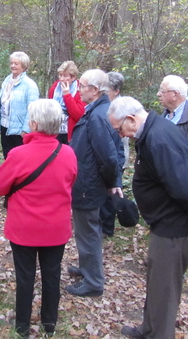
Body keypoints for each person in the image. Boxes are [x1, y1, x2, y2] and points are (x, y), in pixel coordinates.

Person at [108, 97, 188, 339]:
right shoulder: (151, 132)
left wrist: (176, 216)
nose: (120, 135)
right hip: (164, 224)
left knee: (165, 288)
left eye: (120, 129)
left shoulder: (159, 139)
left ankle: (159, 334)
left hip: (175, 226)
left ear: (131, 119)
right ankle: (149, 328)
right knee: (156, 281)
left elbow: (184, 187)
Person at [0, 99, 77, 338]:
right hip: (56, 227)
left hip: (24, 228)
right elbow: (70, 181)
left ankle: (22, 326)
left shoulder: (18, 154)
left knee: (25, 277)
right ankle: (49, 324)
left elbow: (0, 187)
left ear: (34, 123)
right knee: (52, 275)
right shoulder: (68, 153)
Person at [66, 69, 123, 298]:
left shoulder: (99, 116)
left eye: (82, 86)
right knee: (85, 230)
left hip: (88, 184)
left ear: (95, 90)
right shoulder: (97, 111)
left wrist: (112, 182)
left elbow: (109, 156)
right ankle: (86, 268)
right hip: (86, 181)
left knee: (88, 232)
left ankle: (93, 282)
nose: (79, 90)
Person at [0, 51, 40, 158]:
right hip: (5, 126)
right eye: (12, 63)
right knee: (7, 156)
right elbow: (1, 104)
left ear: (23, 66)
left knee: (20, 158)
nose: (13, 66)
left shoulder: (30, 85)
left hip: (20, 130)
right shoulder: (7, 80)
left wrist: (25, 130)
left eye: (16, 64)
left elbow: (32, 110)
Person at [99, 71, 128, 237]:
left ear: (116, 90)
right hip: (107, 155)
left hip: (118, 156)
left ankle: (107, 228)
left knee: (112, 192)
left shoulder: (122, 107)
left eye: (107, 89)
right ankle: (101, 224)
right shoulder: (105, 105)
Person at [47, 60, 85, 144]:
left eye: (65, 76)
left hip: (71, 132)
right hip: (54, 131)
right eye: (60, 75)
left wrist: (67, 95)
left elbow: (78, 115)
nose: (61, 79)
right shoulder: (54, 88)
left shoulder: (80, 90)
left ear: (73, 77)